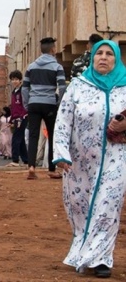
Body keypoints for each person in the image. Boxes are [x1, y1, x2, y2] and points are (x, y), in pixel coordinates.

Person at [52, 39, 126, 278]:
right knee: (80, 206)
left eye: (109, 54)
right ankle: (84, 249)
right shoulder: (78, 87)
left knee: (108, 204)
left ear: (116, 59)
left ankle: (101, 258)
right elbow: (63, 121)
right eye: (99, 53)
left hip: (117, 157)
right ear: (93, 58)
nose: (103, 57)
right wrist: (60, 154)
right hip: (80, 161)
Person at [22, 37, 67, 180]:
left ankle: (31, 167)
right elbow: (62, 87)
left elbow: (25, 88)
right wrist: (59, 103)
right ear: (53, 49)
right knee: (52, 135)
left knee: (33, 135)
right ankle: (52, 170)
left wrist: (27, 104)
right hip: (49, 104)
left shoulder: (31, 66)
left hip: (34, 103)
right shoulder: (57, 67)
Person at [7, 70, 28, 167]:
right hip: (15, 118)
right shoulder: (13, 92)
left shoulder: (23, 90)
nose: (14, 81)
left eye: (16, 79)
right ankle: (26, 160)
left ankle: (15, 160)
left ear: (20, 80)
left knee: (16, 138)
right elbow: (14, 108)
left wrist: (22, 116)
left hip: (22, 117)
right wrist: (11, 120)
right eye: (13, 80)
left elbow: (25, 105)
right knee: (21, 140)